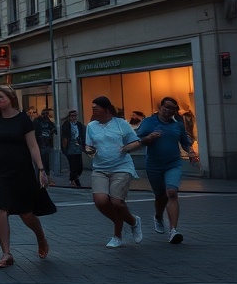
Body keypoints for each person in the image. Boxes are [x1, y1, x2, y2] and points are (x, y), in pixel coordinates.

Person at [0, 86, 51, 268]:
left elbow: (33, 146)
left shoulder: (23, 120)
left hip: (20, 170)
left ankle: (41, 237)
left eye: (1, 97)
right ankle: (6, 253)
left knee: (26, 213)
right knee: (0, 208)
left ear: (11, 98)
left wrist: (41, 169)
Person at [135, 96, 200, 244]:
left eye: (172, 108)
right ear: (160, 107)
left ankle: (173, 231)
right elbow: (137, 141)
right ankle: (158, 216)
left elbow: (185, 142)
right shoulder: (149, 122)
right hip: (154, 165)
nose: (168, 110)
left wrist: (190, 152)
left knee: (171, 192)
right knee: (160, 196)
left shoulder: (177, 125)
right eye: (166, 107)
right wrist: (149, 138)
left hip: (173, 164)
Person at [85, 95, 143, 249]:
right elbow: (88, 146)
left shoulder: (121, 124)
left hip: (121, 167)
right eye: (92, 109)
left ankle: (122, 231)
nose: (93, 111)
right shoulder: (91, 126)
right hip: (100, 168)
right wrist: (88, 149)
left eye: (96, 109)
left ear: (106, 109)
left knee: (116, 202)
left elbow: (136, 142)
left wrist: (127, 148)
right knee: (101, 201)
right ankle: (129, 221)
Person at [60, 110, 87, 188]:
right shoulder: (66, 125)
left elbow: (83, 134)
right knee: (73, 166)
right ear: (69, 117)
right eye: (72, 116)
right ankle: (73, 180)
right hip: (70, 148)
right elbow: (64, 137)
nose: (74, 117)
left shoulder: (79, 125)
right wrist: (64, 147)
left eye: (75, 116)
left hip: (78, 148)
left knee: (80, 166)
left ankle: (75, 178)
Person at [33, 108, 57, 186]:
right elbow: (34, 133)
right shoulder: (37, 121)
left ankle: (47, 178)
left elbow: (54, 130)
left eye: (47, 113)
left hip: (48, 144)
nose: (46, 115)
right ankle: (40, 179)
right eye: (44, 113)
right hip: (41, 144)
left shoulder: (49, 122)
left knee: (48, 163)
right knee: (42, 163)